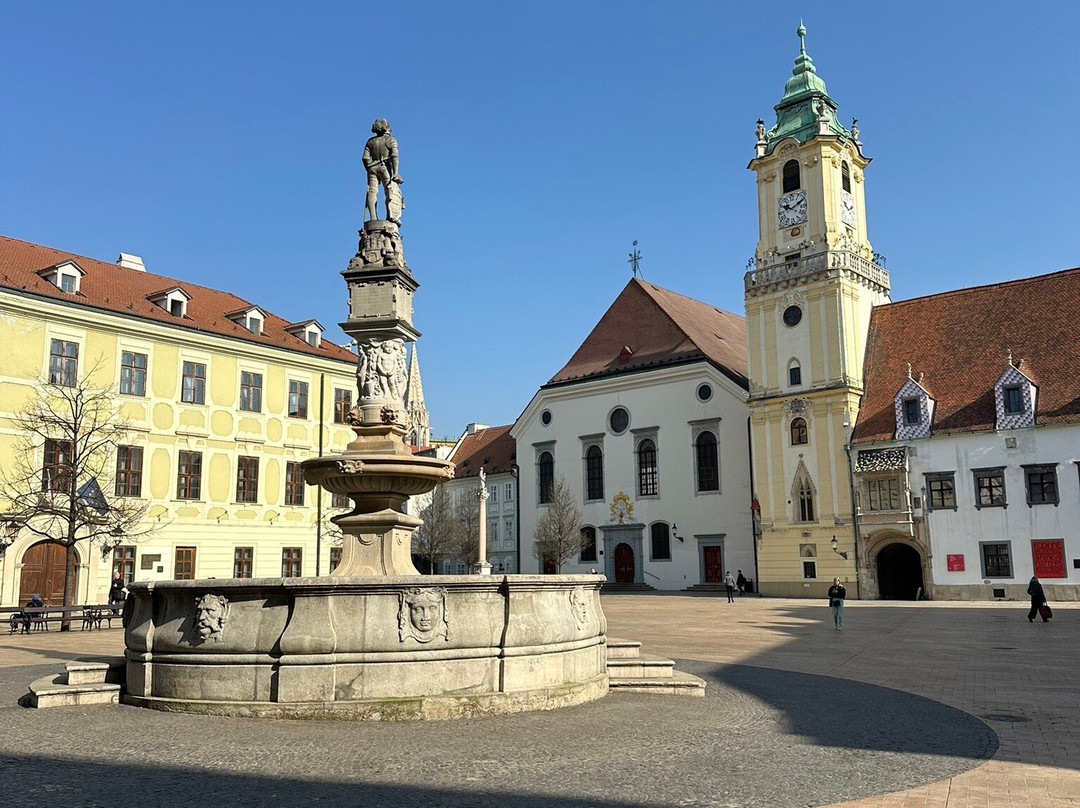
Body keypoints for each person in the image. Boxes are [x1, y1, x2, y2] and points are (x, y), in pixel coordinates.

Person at [362, 118, 403, 224]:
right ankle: (391, 215)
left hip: (372, 167)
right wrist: (396, 173)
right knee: (389, 190)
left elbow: (365, 158)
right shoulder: (390, 140)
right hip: (384, 167)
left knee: (372, 191)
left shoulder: (370, 141)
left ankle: (373, 217)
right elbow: (395, 156)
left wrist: (369, 168)